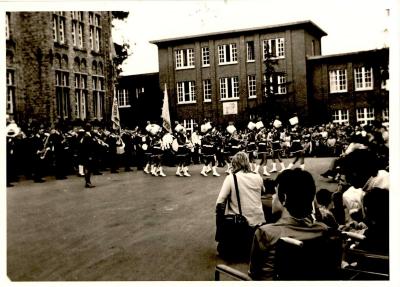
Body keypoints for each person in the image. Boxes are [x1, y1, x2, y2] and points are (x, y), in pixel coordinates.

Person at [249, 168, 332, 280]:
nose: (273, 198)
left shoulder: (266, 233)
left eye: (275, 194)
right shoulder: (323, 230)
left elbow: (254, 273)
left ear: (284, 198)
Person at [215, 151, 265, 259]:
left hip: (240, 224)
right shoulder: (257, 176)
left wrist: (220, 224)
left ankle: (222, 238)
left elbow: (220, 202)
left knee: (220, 208)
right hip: (258, 221)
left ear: (234, 164)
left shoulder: (231, 178)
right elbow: (263, 191)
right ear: (247, 163)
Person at [80, 123, 97, 188]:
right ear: (89, 128)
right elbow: (87, 148)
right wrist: (89, 156)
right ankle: (87, 182)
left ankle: (88, 182)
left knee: (88, 168)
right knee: (88, 168)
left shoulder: (86, 135)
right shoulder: (87, 136)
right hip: (87, 155)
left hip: (86, 155)